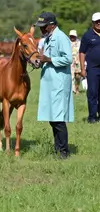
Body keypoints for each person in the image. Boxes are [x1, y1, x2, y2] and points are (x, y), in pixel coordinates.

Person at [35, 12, 74, 159]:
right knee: (52, 118)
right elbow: (45, 58)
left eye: (43, 27)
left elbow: (68, 58)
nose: (41, 30)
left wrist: (49, 59)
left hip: (59, 82)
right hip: (49, 82)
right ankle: (57, 149)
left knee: (58, 119)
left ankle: (64, 152)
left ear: (52, 25)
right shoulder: (47, 39)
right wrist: (40, 62)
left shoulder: (61, 37)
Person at [79, 12, 100, 124]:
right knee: (92, 92)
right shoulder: (87, 36)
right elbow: (82, 52)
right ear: (93, 23)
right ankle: (92, 116)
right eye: (97, 21)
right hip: (92, 68)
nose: (99, 23)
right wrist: (82, 69)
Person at [69, 29, 81, 94]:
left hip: (78, 61)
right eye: (71, 36)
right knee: (71, 76)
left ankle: (77, 87)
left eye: (73, 36)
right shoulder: (67, 42)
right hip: (70, 61)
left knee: (78, 76)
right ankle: (73, 90)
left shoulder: (79, 42)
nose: (72, 37)